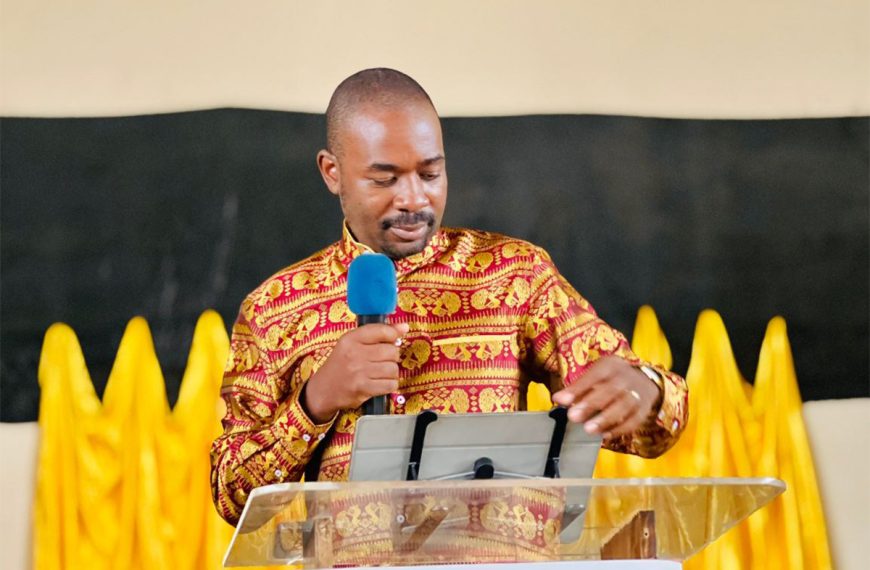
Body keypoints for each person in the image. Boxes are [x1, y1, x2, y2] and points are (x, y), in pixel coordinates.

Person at [210, 68, 688, 526]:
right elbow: (230, 494)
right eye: (385, 179)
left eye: (431, 173)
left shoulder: (514, 274)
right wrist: (315, 401)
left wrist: (644, 393)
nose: (414, 199)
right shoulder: (273, 308)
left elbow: (657, 424)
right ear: (332, 172)